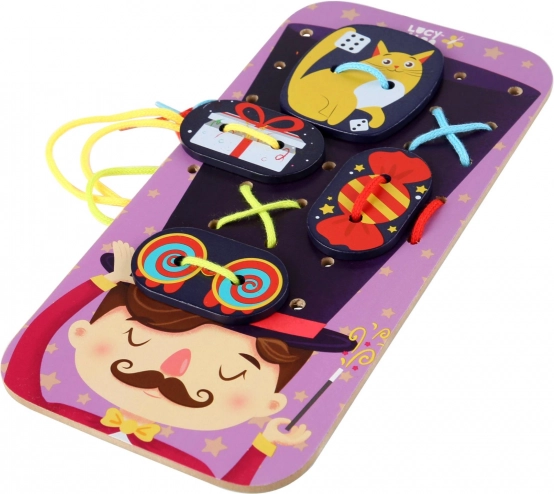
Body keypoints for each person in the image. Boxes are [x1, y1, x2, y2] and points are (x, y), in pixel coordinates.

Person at [4, 241, 354, 486]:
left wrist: (265, 444)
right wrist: (102, 284)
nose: (172, 370)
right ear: (81, 332)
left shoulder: (194, 467)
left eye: (229, 372)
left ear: (270, 404)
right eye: (135, 338)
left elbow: (234, 482)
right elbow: (26, 352)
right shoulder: (49, 413)